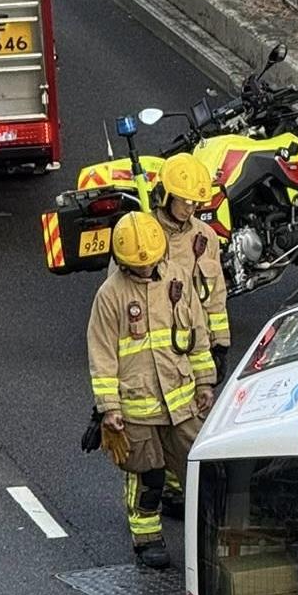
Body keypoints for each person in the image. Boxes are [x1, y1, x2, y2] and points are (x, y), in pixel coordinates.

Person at [87, 210, 217, 569]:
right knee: (148, 475)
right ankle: (147, 537)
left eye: (150, 265)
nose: (145, 271)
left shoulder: (176, 279)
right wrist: (108, 408)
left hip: (181, 400)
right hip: (137, 406)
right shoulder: (110, 296)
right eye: (136, 267)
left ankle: (210, 529)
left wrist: (205, 381)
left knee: (197, 465)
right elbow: (102, 354)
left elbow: (197, 334)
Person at [153, 152, 227, 518]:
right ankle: (170, 487)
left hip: (195, 344)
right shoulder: (144, 236)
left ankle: (182, 487)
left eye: (196, 202)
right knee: (161, 422)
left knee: (193, 421)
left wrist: (221, 345)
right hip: (157, 345)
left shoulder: (205, 237)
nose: (191, 208)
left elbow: (216, 295)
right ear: (167, 195)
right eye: (185, 200)